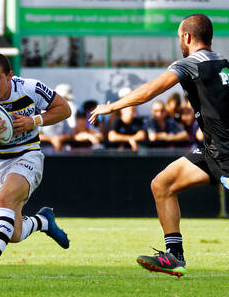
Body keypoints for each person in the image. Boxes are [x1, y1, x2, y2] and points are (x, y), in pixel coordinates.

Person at [89, 14, 229, 277]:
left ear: (187, 37)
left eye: (179, 36)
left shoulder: (189, 64)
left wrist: (112, 106)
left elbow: (151, 90)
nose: (179, 41)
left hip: (225, 154)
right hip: (212, 150)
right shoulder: (222, 62)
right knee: (162, 184)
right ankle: (174, 257)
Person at [0, 53, 71, 278]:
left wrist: (34, 120)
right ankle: (43, 221)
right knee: (13, 232)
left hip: (28, 156)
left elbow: (64, 109)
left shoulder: (30, 88)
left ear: (10, 75)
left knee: (5, 201)